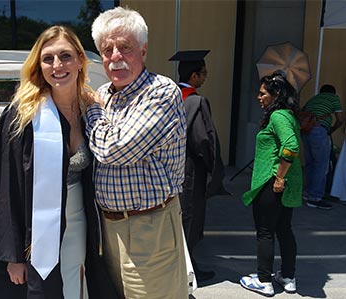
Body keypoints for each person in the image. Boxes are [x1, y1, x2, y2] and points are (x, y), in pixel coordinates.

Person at [0, 25, 117, 299]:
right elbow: (2, 189)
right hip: (34, 234)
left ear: (81, 60)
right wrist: (14, 254)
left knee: (73, 286)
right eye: (48, 58)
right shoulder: (23, 115)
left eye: (66, 56)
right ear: (39, 65)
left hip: (78, 223)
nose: (57, 65)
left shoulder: (90, 109)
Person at [84, 7, 189, 299]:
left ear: (143, 50)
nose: (115, 57)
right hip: (109, 226)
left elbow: (113, 148)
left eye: (125, 48)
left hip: (150, 226)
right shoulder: (103, 93)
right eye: (107, 50)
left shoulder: (160, 92)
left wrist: (91, 110)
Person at [239, 71, 302, 297]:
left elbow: (291, 146)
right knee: (284, 230)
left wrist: (279, 177)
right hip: (282, 184)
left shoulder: (278, 116)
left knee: (265, 232)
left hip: (272, 183)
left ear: (276, 95)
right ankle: (287, 277)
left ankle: (264, 280)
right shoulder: (287, 115)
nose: (259, 97)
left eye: (263, 93)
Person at [168, 50, 227, 282]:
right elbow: (203, 141)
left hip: (170, 168)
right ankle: (189, 271)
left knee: (175, 217)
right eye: (203, 73)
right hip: (191, 169)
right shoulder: (197, 101)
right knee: (191, 218)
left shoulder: (169, 96)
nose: (205, 77)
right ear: (194, 75)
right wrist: (213, 168)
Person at [301, 84, 344, 210]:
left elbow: (303, 112)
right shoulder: (333, 98)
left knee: (310, 163)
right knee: (321, 165)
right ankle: (315, 198)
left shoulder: (314, 99)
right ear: (333, 93)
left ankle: (307, 192)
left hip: (305, 131)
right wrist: (332, 129)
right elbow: (341, 119)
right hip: (319, 131)